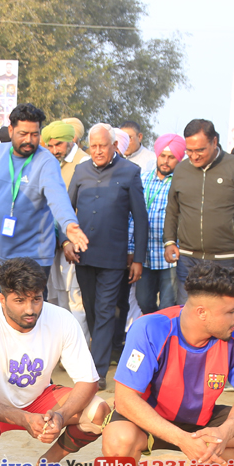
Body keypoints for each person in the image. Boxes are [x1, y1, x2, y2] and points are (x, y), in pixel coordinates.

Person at [101, 262, 234, 466]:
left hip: (201, 422)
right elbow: (125, 399)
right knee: (117, 445)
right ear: (202, 312)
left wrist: (225, 431)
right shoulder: (151, 328)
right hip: (151, 421)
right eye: (231, 311)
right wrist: (181, 439)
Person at [0, 259, 108, 466]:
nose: (30, 309)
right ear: (1, 298)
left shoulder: (61, 319)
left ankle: (50, 462)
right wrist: (23, 419)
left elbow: (88, 381)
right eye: (19, 300)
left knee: (98, 411)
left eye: (36, 299)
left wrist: (62, 415)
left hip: (39, 400)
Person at [0, 104, 89, 291]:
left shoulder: (46, 161)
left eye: (34, 134)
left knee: (29, 307)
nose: (29, 140)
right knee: (6, 305)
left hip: (36, 257)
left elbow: (58, 197)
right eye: (23, 134)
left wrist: (69, 224)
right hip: (3, 255)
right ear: (11, 130)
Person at [67, 123, 147, 386]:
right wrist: (65, 242)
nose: (98, 151)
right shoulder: (81, 171)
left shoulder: (130, 172)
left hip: (113, 258)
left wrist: (138, 259)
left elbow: (141, 219)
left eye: (103, 145)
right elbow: (66, 209)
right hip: (83, 255)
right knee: (91, 309)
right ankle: (99, 355)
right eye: (94, 146)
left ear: (114, 146)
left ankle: (97, 373)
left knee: (104, 311)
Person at [163, 119, 234, 304]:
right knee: (189, 311)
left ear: (214, 141)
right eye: (189, 150)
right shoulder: (182, 170)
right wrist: (169, 241)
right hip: (188, 260)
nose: (194, 156)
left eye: (200, 150)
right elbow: (172, 209)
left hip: (227, 260)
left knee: (223, 311)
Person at [41, 119, 90, 331]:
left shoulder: (84, 163)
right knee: (55, 296)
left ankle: (79, 345)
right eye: (50, 145)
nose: (54, 150)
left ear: (72, 140)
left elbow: (80, 207)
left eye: (58, 144)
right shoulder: (48, 162)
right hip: (48, 241)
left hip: (73, 241)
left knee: (74, 298)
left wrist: (67, 240)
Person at [135, 134, 182, 315]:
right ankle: (155, 325)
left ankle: (165, 331)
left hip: (169, 256)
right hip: (146, 254)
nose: (165, 161)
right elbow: (132, 215)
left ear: (179, 159)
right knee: (143, 301)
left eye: (171, 157)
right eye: (162, 156)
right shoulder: (142, 179)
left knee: (168, 306)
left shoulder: (181, 183)